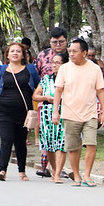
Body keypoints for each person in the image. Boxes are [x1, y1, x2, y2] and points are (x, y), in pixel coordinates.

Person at [0, 42, 41, 181]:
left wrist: (43, 99)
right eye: (12, 51)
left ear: (23, 55)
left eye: (18, 51)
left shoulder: (30, 70)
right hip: (4, 111)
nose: (15, 53)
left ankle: (22, 171)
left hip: (24, 112)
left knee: (20, 141)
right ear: (7, 54)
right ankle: (2, 170)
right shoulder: (1, 70)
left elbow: (39, 86)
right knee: (6, 139)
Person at [52, 38, 104, 187]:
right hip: (70, 113)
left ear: (84, 53)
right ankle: (76, 175)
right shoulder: (64, 69)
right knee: (73, 146)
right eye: (69, 51)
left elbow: (101, 91)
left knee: (91, 144)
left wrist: (103, 111)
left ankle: (87, 175)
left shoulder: (94, 68)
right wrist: (55, 112)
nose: (71, 54)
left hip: (90, 113)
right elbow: (58, 91)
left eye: (74, 51)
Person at [33, 52, 68, 183]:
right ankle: (54, 169)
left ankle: (58, 172)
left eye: (58, 63)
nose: (54, 65)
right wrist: (46, 98)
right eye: (53, 62)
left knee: (61, 143)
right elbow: (35, 95)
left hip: (63, 111)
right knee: (49, 144)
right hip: (47, 111)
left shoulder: (68, 79)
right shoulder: (46, 79)